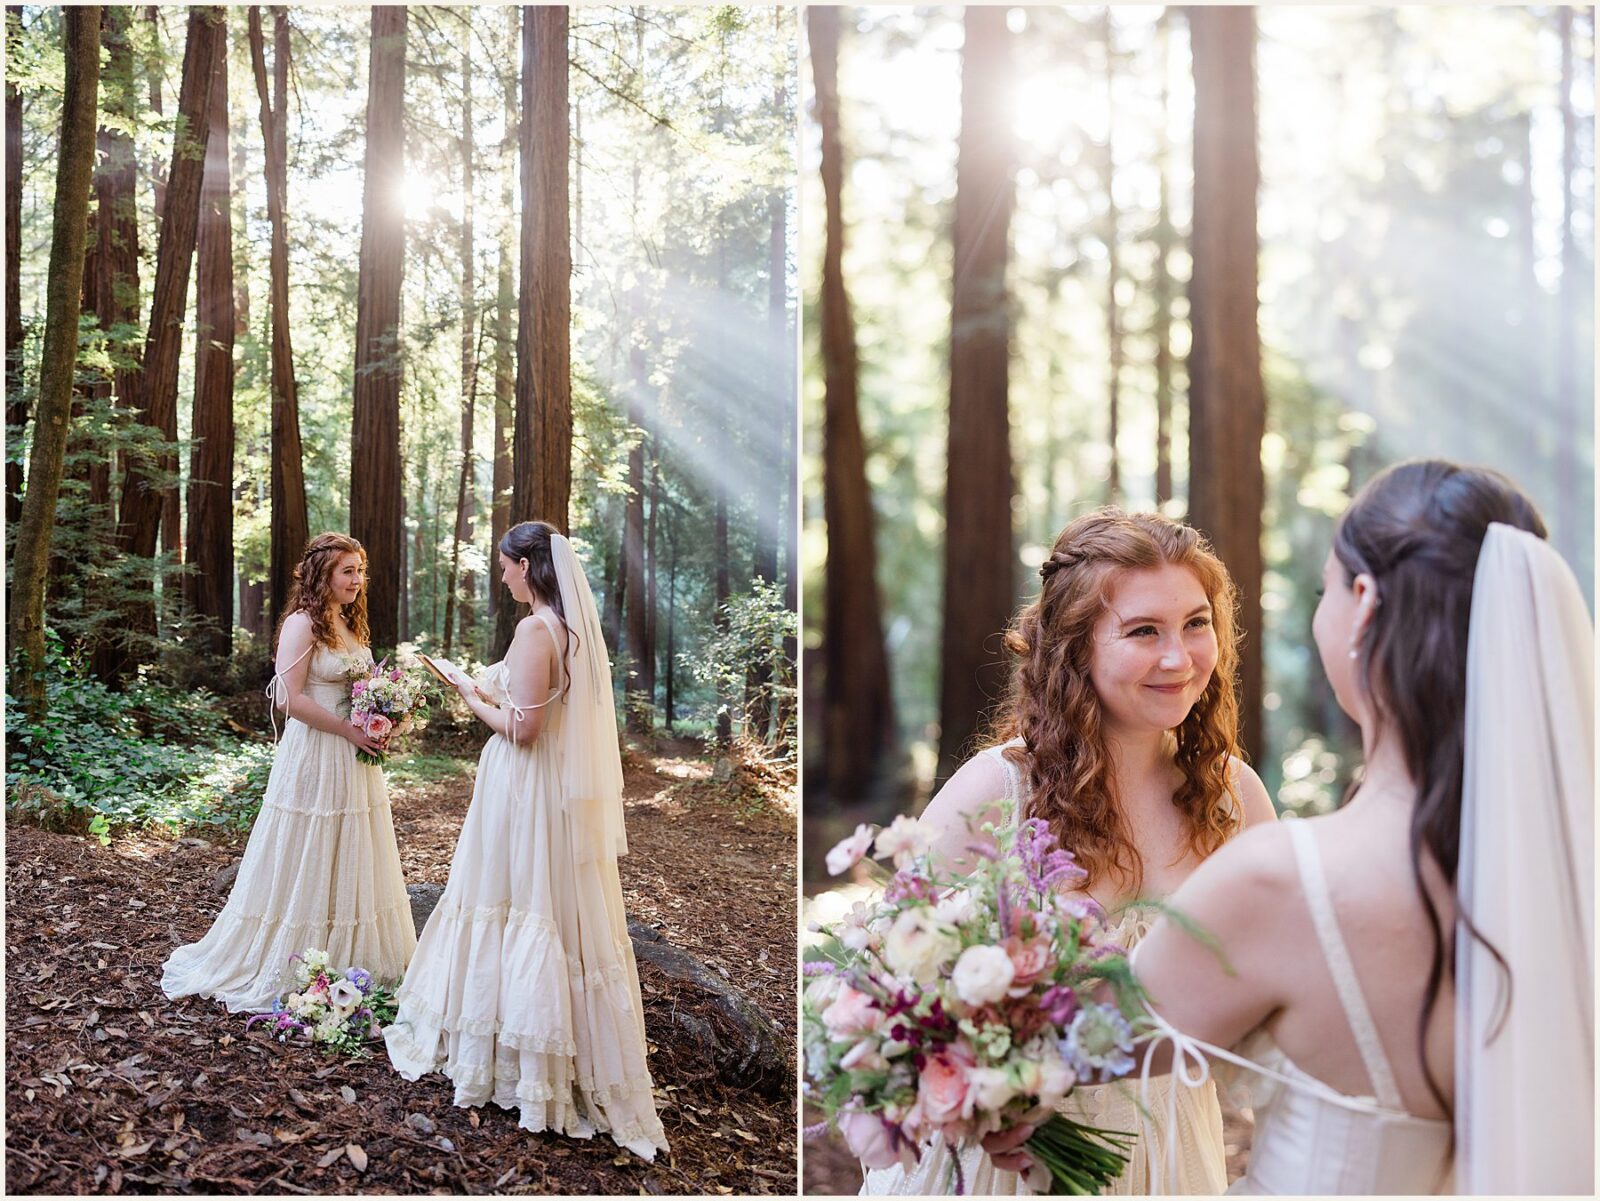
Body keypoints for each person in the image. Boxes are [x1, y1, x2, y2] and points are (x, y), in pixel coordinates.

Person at [1051, 461, 1592, 1194]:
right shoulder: (1566, 876)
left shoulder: (1280, 883)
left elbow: (1069, 1047)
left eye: (1326, 585)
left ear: (1363, 603)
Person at [862, 509, 1275, 1196]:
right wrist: (977, 1090)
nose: (1179, 657)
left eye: (1195, 623)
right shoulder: (999, 789)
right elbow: (883, 988)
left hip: (1166, 1162)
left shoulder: (1234, 798)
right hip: (999, 1171)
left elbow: (1275, 1007)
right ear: (1076, 646)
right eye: (1144, 630)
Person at [383, 521, 668, 1161]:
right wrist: (491, 692)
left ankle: (518, 1063)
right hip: (540, 789)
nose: (503, 574)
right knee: (535, 904)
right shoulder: (567, 631)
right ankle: (530, 1053)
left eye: (507, 564)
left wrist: (465, 694)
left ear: (529, 566)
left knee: (519, 901)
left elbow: (525, 729)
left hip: (525, 786)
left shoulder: (536, 630)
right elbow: (543, 709)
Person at [162, 533, 415, 1011]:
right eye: (348, 571)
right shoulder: (303, 624)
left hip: (353, 755)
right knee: (309, 846)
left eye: (360, 571)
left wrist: (383, 716)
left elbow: (362, 686)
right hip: (317, 752)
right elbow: (288, 699)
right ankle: (298, 960)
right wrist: (347, 729)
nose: (358, 580)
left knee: (351, 848)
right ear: (323, 575)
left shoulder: (349, 621)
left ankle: (348, 959)